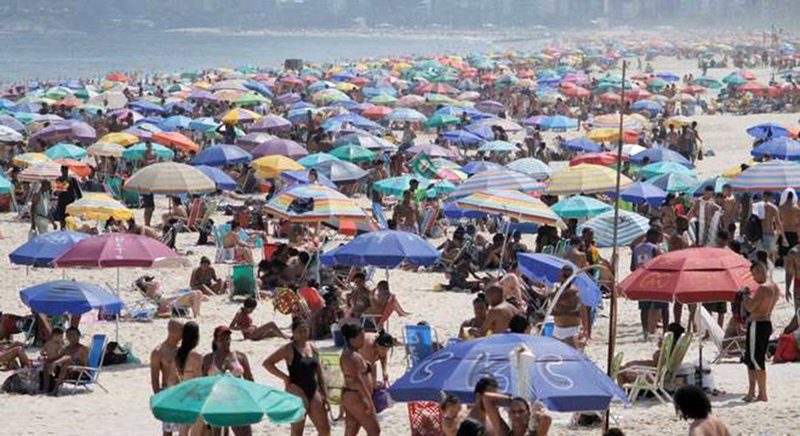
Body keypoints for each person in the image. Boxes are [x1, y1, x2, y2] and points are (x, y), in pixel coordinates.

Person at [263, 318, 331, 436]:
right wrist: (285, 377)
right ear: (294, 333)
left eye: (305, 330)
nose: (303, 333)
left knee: (325, 430)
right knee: (297, 431)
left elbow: (319, 373)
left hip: (314, 391)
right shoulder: (288, 349)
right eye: (300, 331)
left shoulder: (313, 348)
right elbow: (267, 363)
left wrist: (325, 394)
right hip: (297, 390)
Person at [202, 325, 255, 436]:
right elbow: (203, 383)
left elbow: (250, 380)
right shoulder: (208, 359)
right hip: (216, 403)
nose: (226, 341)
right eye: (222, 339)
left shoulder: (240, 357)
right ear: (216, 341)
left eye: (228, 338)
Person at [742, 261, 780, 402]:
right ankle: (753, 392)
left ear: (759, 270)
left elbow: (751, 307)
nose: (754, 279)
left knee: (755, 360)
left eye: (754, 275)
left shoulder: (763, 288)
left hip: (757, 324)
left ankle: (761, 393)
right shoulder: (775, 287)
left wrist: (745, 295)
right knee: (754, 358)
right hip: (766, 323)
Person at [339, 323, 380, 436]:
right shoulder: (350, 356)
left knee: (351, 431)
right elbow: (357, 381)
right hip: (357, 396)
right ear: (352, 339)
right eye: (361, 338)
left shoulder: (353, 353)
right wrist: (369, 401)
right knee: (374, 430)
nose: (363, 340)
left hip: (353, 396)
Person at [632, 228, 669, 341]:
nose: (659, 240)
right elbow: (661, 264)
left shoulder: (636, 249)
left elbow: (632, 267)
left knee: (644, 308)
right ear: (653, 236)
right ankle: (666, 331)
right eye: (658, 237)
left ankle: (645, 332)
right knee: (664, 307)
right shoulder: (654, 248)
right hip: (656, 281)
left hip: (642, 281)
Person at [150, 320, 183, 436]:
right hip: (168, 392)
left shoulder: (183, 350)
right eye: (181, 331)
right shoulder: (159, 352)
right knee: (168, 430)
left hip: (184, 392)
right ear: (172, 331)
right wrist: (159, 399)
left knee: (185, 429)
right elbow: (154, 379)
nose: (184, 334)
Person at [171, 322, 203, 436]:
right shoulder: (196, 356)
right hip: (195, 395)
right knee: (196, 430)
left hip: (183, 394)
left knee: (183, 431)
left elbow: (173, 378)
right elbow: (199, 379)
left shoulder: (178, 354)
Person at [45, 326, 88, 396]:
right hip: (65, 371)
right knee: (47, 363)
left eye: (73, 335)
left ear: (79, 336)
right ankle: (45, 389)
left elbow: (85, 366)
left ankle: (55, 390)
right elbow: (56, 357)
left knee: (67, 359)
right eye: (69, 335)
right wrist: (46, 360)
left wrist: (73, 367)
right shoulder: (66, 348)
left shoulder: (83, 349)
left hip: (80, 374)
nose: (71, 337)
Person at [550, 266, 583, 348]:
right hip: (557, 329)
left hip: (571, 331)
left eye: (568, 276)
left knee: (571, 358)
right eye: (564, 276)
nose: (566, 279)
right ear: (560, 276)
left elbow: (579, 312)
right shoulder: (555, 290)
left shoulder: (575, 292)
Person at [52, 165, 82, 230]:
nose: (64, 172)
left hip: (70, 203)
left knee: (69, 220)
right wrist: (57, 192)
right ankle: (62, 231)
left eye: (65, 171)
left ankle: (69, 231)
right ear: (61, 171)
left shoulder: (72, 180)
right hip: (61, 203)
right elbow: (54, 192)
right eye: (63, 171)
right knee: (62, 220)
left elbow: (78, 191)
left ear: (68, 171)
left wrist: (80, 201)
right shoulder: (58, 180)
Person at [758, 191, 785, 263]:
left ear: (763, 196)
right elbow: (778, 223)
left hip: (760, 233)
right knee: (771, 255)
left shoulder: (759, 207)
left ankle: (763, 270)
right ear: (770, 197)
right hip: (770, 233)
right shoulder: (774, 208)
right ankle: (771, 272)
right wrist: (783, 236)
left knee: (761, 255)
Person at [782, 244, 800, 334]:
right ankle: (787, 334)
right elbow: (789, 273)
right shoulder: (794, 252)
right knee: (799, 315)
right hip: (799, 286)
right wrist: (787, 288)